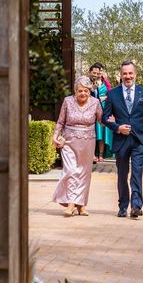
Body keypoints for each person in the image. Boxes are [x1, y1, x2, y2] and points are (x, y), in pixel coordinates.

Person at [102, 60, 143, 218]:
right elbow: (105, 118)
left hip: (139, 140)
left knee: (137, 173)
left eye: (130, 73)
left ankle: (136, 206)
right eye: (125, 73)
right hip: (121, 140)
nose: (128, 76)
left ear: (135, 74)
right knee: (122, 174)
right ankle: (123, 206)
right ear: (120, 75)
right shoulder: (112, 94)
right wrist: (117, 128)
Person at [52, 76, 103, 217]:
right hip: (69, 141)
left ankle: (81, 205)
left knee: (84, 173)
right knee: (71, 170)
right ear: (75, 91)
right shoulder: (68, 101)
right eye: (80, 91)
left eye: (86, 91)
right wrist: (55, 135)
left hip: (88, 141)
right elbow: (60, 121)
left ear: (90, 91)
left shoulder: (95, 102)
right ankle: (71, 204)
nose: (83, 94)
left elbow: (101, 120)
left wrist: (113, 121)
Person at [88, 62, 113, 162]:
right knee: (93, 132)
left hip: (103, 108)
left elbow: (110, 93)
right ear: (90, 72)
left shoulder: (105, 81)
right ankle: (92, 154)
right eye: (95, 73)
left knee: (101, 131)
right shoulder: (87, 82)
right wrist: (92, 89)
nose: (97, 75)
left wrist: (106, 98)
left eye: (99, 73)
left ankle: (101, 154)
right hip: (91, 109)